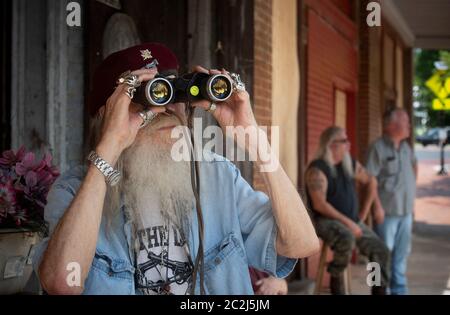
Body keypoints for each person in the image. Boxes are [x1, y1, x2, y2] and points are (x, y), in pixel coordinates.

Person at [33, 43, 319, 295]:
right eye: (148, 97)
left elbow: (301, 244)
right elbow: (62, 283)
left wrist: (255, 140)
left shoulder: (217, 176)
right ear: (107, 116)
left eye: (172, 93)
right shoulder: (75, 190)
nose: (167, 109)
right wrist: (108, 148)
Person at [305, 126, 390, 295]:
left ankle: (377, 290)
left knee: (380, 250)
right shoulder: (318, 169)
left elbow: (371, 181)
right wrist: (350, 223)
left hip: (352, 221)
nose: (349, 145)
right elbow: (320, 205)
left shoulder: (348, 163)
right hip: (325, 222)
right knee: (347, 237)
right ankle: (337, 284)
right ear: (331, 144)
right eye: (344, 141)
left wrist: (363, 215)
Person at [366, 107, 417, 295]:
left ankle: (399, 291)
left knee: (401, 257)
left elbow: (414, 165)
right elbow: (370, 179)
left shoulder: (406, 147)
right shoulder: (377, 147)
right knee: (379, 255)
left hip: (405, 212)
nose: (409, 125)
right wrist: (376, 207)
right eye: (406, 121)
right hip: (385, 212)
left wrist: (411, 199)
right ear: (393, 125)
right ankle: (377, 291)